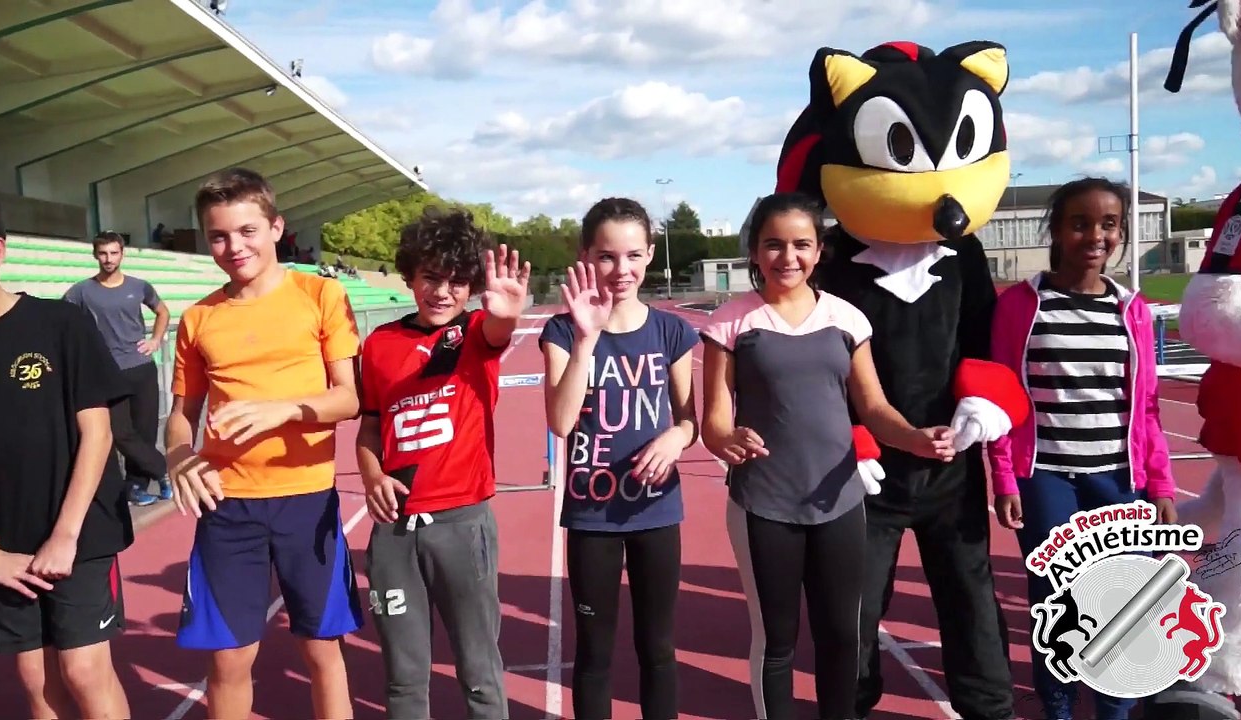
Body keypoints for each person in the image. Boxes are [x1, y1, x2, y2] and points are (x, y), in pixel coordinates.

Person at [701, 192, 958, 720]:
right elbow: (714, 421)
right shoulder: (730, 324)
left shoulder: (847, 319)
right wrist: (725, 442)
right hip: (763, 504)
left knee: (842, 634)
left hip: (839, 501)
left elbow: (875, 406)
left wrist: (914, 437)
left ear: (819, 251)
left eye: (801, 244)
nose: (787, 257)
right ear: (754, 251)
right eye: (773, 245)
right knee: (776, 639)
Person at [164, 168, 363, 719]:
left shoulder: (321, 294)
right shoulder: (198, 317)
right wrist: (180, 459)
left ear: (276, 228)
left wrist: (287, 409)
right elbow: (180, 416)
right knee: (228, 660)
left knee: (321, 649)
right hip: (228, 505)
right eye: (220, 236)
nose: (234, 247)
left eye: (248, 231)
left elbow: (349, 399)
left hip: (308, 499)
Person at [988, 177, 1177, 720]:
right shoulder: (1022, 305)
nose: (1096, 235)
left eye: (1109, 224)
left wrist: (1159, 482)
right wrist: (1004, 478)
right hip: (1046, 478)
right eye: (1080, 223)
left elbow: (1147, 407)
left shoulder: (1131, 308)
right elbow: (1002, 401)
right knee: (1058, 601)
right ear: (1056, 229)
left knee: (1124, 602)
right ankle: (1060, 707)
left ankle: (1116, 709)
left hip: (1118, 479)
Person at [0, 181, 132, 718]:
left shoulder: (60, 324)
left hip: (79, 532)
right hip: (0, 542)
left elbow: (98, 434)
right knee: (36, 682)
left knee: (83, 670)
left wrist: (64, 535)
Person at [357, 207, 529, 719]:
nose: (443, 292)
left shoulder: (475, 333)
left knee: (479, 672)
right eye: (432, 277)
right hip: (394, 532)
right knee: (404, 679)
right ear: (409, 275)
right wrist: (370, 474)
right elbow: (370, 425)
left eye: (458, 281)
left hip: (462, 524)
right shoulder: (380, 345)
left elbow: (499, 328)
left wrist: (507, 310)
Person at [540, 197, 700, 720]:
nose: (621, 269)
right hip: (592, 516)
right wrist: (587, 338)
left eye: (633, 255)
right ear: (587, 256)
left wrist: (676, 439)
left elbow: (688, 419)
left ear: (650, 255)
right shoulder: (563, 332)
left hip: (656, 512)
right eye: (607, 256)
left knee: (657, 648)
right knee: (594, 653)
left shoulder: (672, 332)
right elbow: (561, 422)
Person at [64, 230, 172, 506]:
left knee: (145, 432)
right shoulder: (81, 291)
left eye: (113, 253)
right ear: (95, 255)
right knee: (121, 432)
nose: (108, 259)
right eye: (103, 253)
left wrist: (156, 340)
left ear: (122, 254)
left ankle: (136, 487)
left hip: (142, 367)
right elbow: (62, 320)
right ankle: (164, 471)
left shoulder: (139, 286)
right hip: (108, 372)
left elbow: (163, 312)